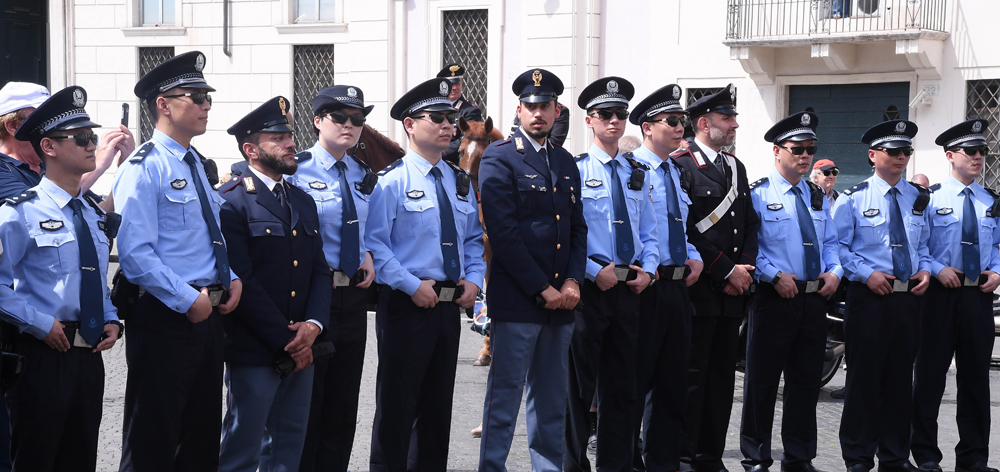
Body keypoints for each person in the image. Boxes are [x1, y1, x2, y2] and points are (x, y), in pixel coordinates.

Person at [114, 50, 244, 472]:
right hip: (166, 315)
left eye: (208, 97)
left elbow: (204, 237)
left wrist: (230, 277)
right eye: (196, 97)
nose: (206, 105)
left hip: (207, 313)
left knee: (200, 438)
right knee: (153, 439)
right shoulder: (144, 167)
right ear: (163, 105)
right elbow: (135, 254)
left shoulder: (196, 165)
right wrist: (187, 299)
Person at [0, 85, 122, 471]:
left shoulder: (92, 213)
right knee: (36, 459)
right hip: (42, 353)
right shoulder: (19, 212)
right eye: (80, 138)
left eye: (93, 137)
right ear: (48, 147)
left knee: (80, 458)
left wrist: (110, 317)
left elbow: (93, 276)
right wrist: (39, 323)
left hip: (88, 355)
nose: (92, 145)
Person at [367, 77, 486, 472]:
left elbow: (473, 239)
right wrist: (410, 285)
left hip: (448, 306)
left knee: (437, 410)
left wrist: (474, 279)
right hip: (407, 304)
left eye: (450, 118)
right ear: (410, 124)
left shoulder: (458, 180)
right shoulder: (391, 181)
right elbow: (376, 245)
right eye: (437, 118)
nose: (448, 125)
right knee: (397, 406)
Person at [475, 68, 586, 472]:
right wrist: (542, 287)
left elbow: (577, 228)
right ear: (519, 110)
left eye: (545, 106)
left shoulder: (565, 160)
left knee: (551, 402)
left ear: (557, 111)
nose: (538, 113)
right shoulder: (499, 157)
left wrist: (572, 280)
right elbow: (503, 234)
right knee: (503, 401)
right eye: (531, 106)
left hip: (561, 304)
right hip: (519, 301)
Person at [216, 96, 332, 472]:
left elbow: (319, 270)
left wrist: (313, 325)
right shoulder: (232, 202)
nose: (290, 143)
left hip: (303, 343)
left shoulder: (302, 200)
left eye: (289, 135)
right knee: (243, 449)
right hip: (255, 348)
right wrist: (288, 339)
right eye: (277, 138)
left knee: (287, 448)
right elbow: (241, 279)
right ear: (251, 150)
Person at [566, 76, 658, 472]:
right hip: (590, 290)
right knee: (578, 388)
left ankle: (615, 465)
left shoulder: (638, 171)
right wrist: (591, 270)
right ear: (589, 120)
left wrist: (649, 270)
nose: (614, 120)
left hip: (629, 290)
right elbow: (568, 235)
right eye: (605, 114)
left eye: (620, 113)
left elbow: (650, 231)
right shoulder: (574, 170)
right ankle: (573, 465)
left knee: (623, 388)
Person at [742, 111, 842, 472]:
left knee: (806, 382)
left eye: (810, 149)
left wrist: (835, 271)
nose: (805, 156)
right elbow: (749, 247)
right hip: (774, 298)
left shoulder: (816, 195)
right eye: (797, 149)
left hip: (813, 299)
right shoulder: (758, 193)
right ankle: (756, 457)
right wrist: (772, 276)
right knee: (762, 383)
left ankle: (799, 457)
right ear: (777, 150)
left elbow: (831, 242)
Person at [832, 119, 932, 472]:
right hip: (869, 298)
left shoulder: (919, 198)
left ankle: (894, 456)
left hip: (907, 298)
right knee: (863, 379)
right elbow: (837, 247)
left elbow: (925, 246)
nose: (901, 157)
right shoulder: (853, 198)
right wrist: (866, 273)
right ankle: (858, 456)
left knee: (899, 379)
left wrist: (925, 269)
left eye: (906, 151)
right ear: (873, 155)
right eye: (894, 151)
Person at [290, 85, 379, 472]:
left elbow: (371, 228)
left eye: (357, 119)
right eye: (339, 117)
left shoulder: (363, 174)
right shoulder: (297, 170)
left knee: (343, 407)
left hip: (353, 299)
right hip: (314, 297)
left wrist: (369, 252)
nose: (349, 125)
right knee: (308, 402)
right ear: (317, 121)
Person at [671, 84, 760, 472]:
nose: (734, 125)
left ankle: (710, 455)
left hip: (732, 293)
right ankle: (684, 455)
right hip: (700, 291)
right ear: (705, 124)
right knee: (692, 378)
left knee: (722, 380)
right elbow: (686, 229)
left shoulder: (735, 167)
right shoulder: (681, 164)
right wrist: (726, 269)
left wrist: (744, 269)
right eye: (727, 119)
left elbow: (750, 225)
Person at [911, 120, 1000, 472]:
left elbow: (997, 245)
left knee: (976, 378)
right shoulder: (929, 198)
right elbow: (917, 246)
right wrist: (936, 269)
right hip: (939, 295)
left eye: (983, 151)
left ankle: (974, 458)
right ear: (950, 156)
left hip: (978, 295)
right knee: (930, 376)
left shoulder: (991, 200)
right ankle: (925, 455)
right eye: (971, 151)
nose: (978, 157)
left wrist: (997, 271)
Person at [627, 83, 704, 472]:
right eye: (671, 121)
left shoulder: (675, 171)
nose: (680, 128)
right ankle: (627, 461)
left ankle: (663, 462)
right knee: (634, 381)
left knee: (672, 385)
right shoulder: (630, 169)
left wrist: (694, 256)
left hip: (677, 286)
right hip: (645, 287)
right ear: (647, 127)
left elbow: (678, 226)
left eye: (682, 121)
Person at [0, 82, 134, 209]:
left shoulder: (50, 165)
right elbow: (40, 210)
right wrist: (99, 165)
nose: (48, 122)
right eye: (38, 117)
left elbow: (101, 215)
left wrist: (123, 171)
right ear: (13, 126)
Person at [438, 64, 484, 164]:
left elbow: (467, 139)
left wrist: (440, 153)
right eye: (451, 84)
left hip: (455, 163)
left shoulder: (470, 110)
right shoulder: (436, 108)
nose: (455, 88)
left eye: (457, 83)